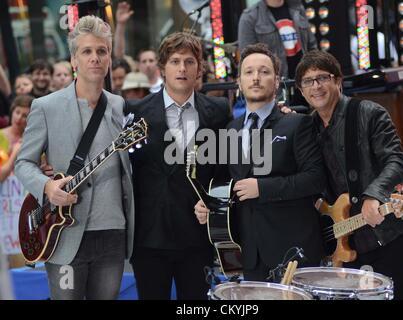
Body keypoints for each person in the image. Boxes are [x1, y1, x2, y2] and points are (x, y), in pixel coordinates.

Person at [15, 15, 135, 300]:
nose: (95, 58)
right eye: (87, 51)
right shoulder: (46, 107)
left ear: (108, 59)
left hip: (112, 231)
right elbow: (23, 163)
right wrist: (47, 187)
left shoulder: (120, 106)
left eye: (101, 51)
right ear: (74, 61)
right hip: (63, 234)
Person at [195, 43, 326, 281]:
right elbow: (228, 185)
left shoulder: (298, 123)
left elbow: (315, 178)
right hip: (249, 253)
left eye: (264, 72)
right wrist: (210, 205)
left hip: (293, 251)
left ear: (277, 81)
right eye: (249, 72)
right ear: (239, 82)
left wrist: (262, 188)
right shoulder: (230, 129)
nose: (256, 78)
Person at [295, 50, 403, 300]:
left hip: (386, 235)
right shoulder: (306, 128)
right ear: (300, 90)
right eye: (308, 81)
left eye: (322, 78)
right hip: (342, 242)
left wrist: (374, 194)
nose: (316, 86)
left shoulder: (369, 113)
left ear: (338, 80)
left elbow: (396, 161)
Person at [127, 32, 231, 300]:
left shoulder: (219, 110)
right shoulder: (135, 111)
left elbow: (228, 169)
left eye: (189, 61)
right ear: (162, 68)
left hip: (199, 236)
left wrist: (214, 199)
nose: (182, 68)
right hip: (149, 237)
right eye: (175, 61)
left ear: (199, 68)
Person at [238, 0, 316, 107]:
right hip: (276, 93)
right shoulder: (250, 17)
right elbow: (247, 59)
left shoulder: (298, 8)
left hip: (305, 87)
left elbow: (312, 47)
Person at [0, 95, 32, 181]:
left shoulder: (33, 140)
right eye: (17, 112)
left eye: (25, 115)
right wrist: (14, 154)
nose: (19, 118)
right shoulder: (0, 135)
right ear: (12, 112)